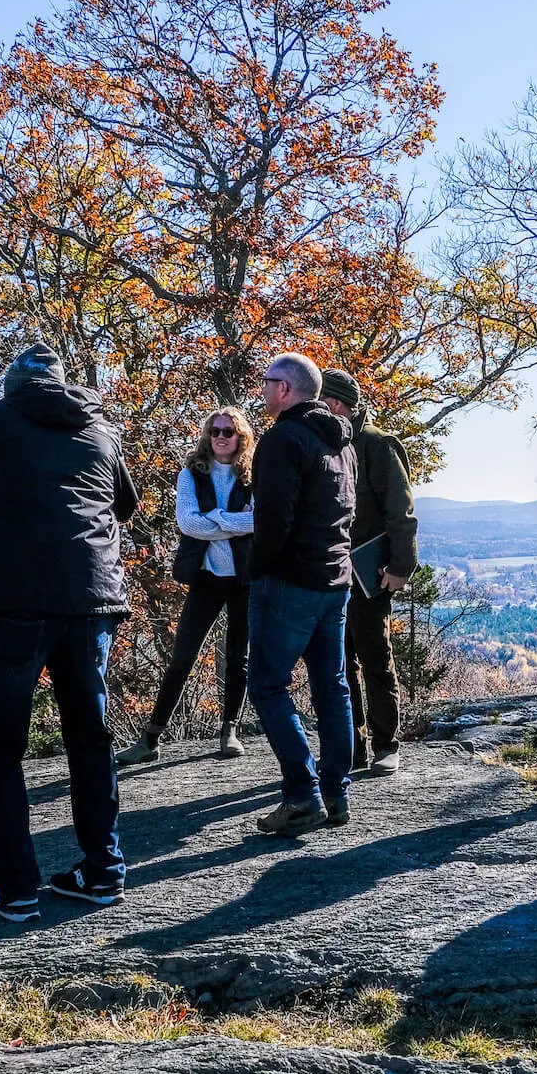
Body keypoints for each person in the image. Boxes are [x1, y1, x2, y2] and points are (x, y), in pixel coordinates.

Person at [0, 343, 141, 922]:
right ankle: (104, 871)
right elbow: (127, 505)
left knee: (2, 746)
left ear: (12, 387)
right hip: (92, 601)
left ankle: (15, 885)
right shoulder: (100, 427)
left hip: (13, 602)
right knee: (91, 738)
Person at [245, 352, 357, 835]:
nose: (263, 389)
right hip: (336, 581)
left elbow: (273, 521)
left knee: (267, 684)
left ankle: (302, 795)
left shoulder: (281, 441)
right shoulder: (342, 442)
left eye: (268, 382)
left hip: (290, 583)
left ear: (286, 390)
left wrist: (257, 571)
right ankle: (335, 793)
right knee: (331, 686)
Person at [117, 408, 258, 765]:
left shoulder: (254, 475)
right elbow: (188, 524)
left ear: (241, 436)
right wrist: (233, 523)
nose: (221, 436)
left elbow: (260, 520)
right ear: (207, 435)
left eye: (228, 431)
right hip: (207, 577)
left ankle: (230, 730)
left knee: (238, 659)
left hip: (245, 578)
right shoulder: (190, 474)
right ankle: (151, 738)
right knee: (182, 657)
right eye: (215, 431)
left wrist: (215, 519)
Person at [319, 369, 418, 778]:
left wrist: (400, 567)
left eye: (321, 401)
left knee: (375, 656)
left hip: (369, 572)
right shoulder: (324, 444)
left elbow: (402, 512)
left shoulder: (378, 445)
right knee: (338, 662)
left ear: (337, 404)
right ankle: (352, 745)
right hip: (328, 571)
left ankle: (386, 744)